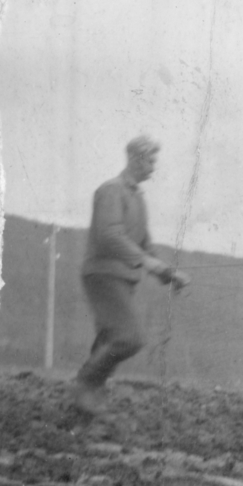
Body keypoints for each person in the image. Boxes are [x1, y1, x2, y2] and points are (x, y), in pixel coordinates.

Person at [73, 136, 190, 415]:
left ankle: (82, 412)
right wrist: (150, 264)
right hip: (103, 275)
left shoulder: (137, 197)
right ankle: (86, 383)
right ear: (136, 159)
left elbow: (144, 245)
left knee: (108, 341)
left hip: (122, 278)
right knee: (130, 338)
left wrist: (166, 273)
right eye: (150, 160)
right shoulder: (111, 191)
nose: (153, 167)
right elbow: (109, 236)